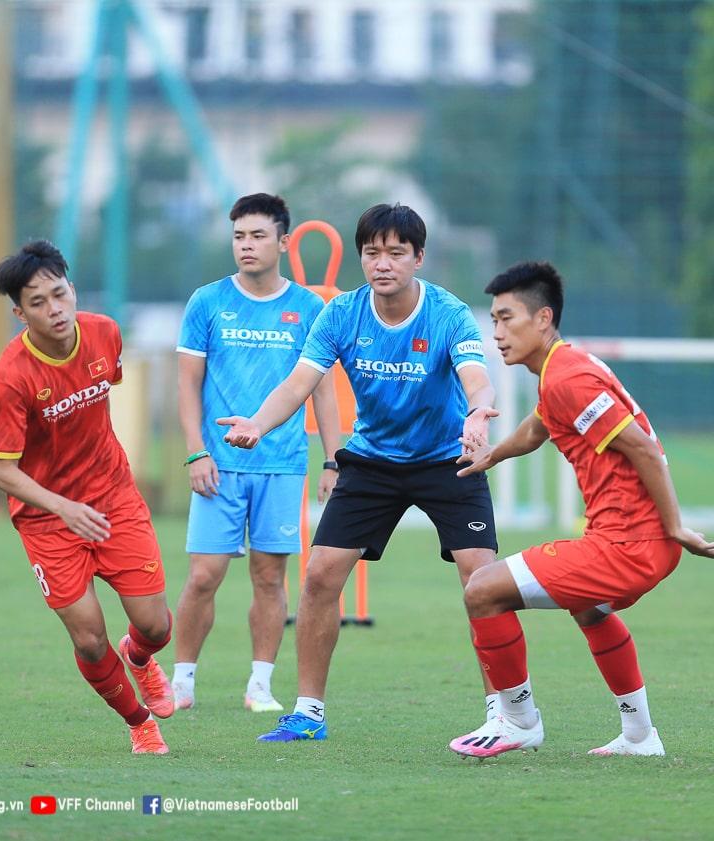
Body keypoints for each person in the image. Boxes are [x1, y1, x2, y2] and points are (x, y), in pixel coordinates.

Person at [219, 202, 500, 741]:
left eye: (396, 253)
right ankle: (308, 713)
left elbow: (477, 379)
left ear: (419, 257)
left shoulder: (448, 313)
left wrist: (478, 411)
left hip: (448, 458)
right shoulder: (341, 314)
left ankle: (503, 712)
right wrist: (258, 422)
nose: (382, 264)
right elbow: (298, 383)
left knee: (483, 582)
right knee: (320, 575)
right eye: (372, 253)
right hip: (372, 460)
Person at [447, 261, 714, 759]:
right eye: (494, 320)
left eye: (507, 319)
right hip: (638, 542)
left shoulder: (567, 379)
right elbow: (537, 427)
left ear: (543, 318)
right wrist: (494, 454)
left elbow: (643, 450)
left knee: (482, 590)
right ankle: (639, 735)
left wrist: (676, 526)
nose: (497, 333)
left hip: (630, 544)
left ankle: (517, 721)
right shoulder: (562, 369)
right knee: (590, 609)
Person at [0, 240, 174, 756]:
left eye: (59, 294)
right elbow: (2, 471)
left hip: (113, 498)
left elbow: (104, 388)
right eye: (38, 302)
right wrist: (64, 506)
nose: (55, 309)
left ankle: (139, 657)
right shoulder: (12, 376)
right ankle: (139, 724)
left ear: (71, 288)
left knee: (156, 625)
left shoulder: (105, 332)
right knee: (89, 639)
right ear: (20, 314)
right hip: (47, 521)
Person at [173, 193, 341, 713]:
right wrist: (196, 453)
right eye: (239, 236)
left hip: (282, 465)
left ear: (283, 242)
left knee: (270, 577)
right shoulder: (207, 302)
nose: (246, 245)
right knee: (204, 576)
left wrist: (333, 460)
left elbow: (322, 392)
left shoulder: (310, 309)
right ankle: (181, 681)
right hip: (219, 465)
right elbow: (187, 385)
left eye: (258, 236)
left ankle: (260, 686)